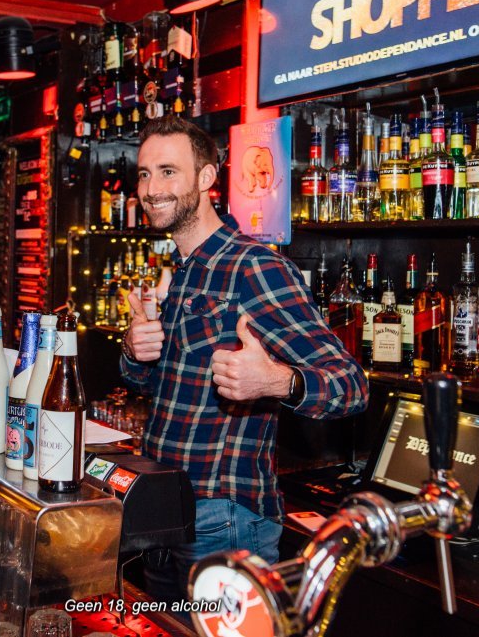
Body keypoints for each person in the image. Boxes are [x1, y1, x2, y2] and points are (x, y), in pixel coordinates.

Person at [120, 116, 368, 603]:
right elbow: (155, 385)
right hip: (163, 507)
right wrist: (134, 349)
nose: (151, 189)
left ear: (207, 178)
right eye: (145, 174)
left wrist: (276, 381)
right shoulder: (185, 270)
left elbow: (351, 385)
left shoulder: (255, 267)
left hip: (222, 519)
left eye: (168, 171)